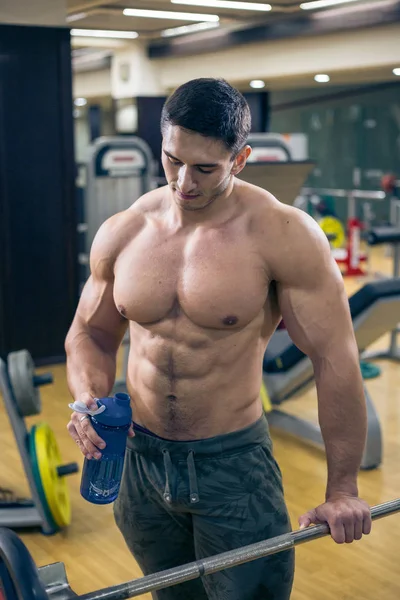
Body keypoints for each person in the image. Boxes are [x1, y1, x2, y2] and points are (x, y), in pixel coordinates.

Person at [66, 78, 371, 600]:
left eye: (205, 167)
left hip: (231, 468)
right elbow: (91, 333)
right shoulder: (125, 229)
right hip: (138, 461)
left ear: (240, 158)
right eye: (172, 160)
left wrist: (342, 489)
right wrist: (88, 400)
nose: (184, 181)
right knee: (172, 594)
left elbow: (333, 356)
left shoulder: (282, 235)